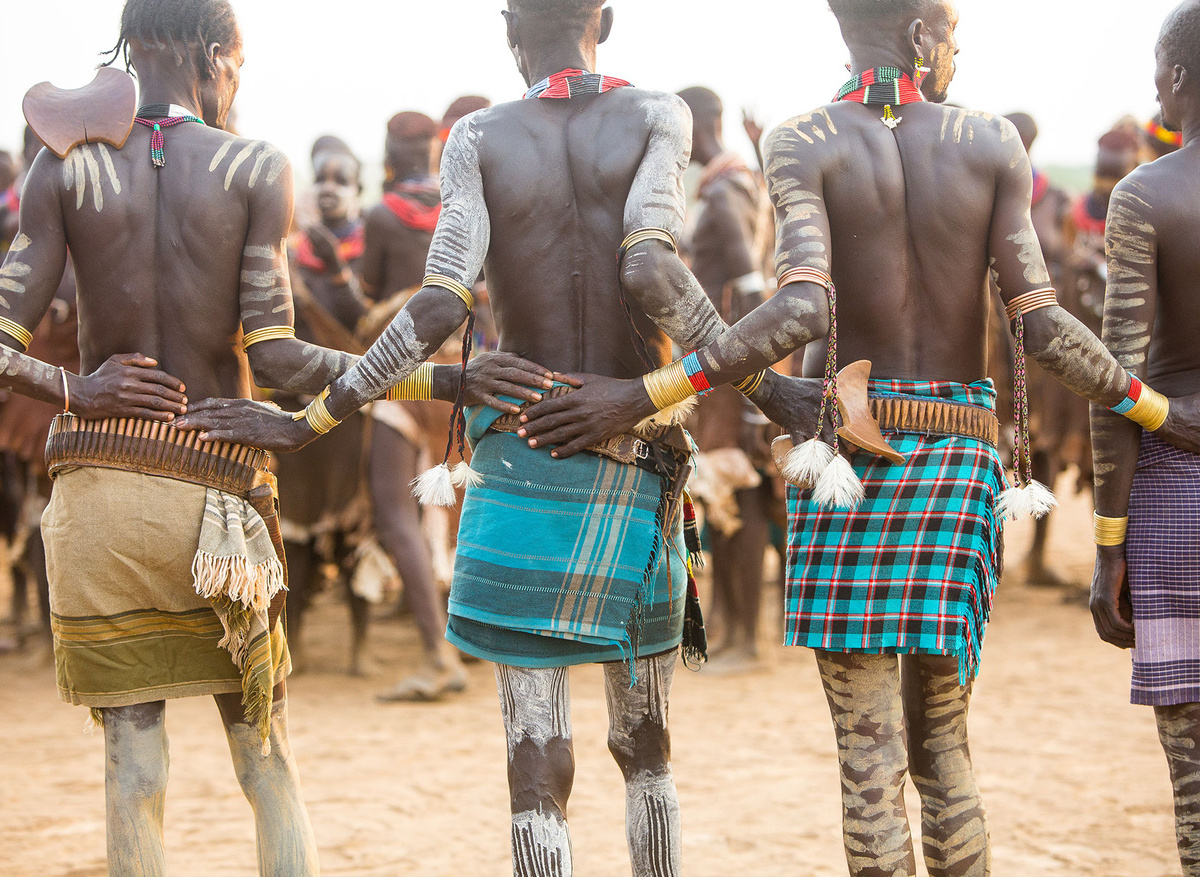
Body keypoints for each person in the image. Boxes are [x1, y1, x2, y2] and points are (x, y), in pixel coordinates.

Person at [513, 1, 1200, 873]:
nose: (956, 51)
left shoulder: (804, 139)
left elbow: (804, 304)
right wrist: (1154, 406)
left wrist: (652, 390)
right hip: (957, 458)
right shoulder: (990, 140)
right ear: (920, 33)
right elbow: (1040, 323)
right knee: (944, 750)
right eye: (950, 32)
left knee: (867, 759)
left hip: (847, 456)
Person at [176, 2, 817, 872]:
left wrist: (309, 420)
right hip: (636, 445)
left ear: (510, 31)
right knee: (646, 745)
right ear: (606, 19)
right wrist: (761, 386)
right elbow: (650, 266)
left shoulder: (477, 135)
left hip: (524, 447)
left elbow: (441, 303)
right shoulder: (658, 113)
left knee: (533, 756)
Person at [0, 0, 545, 870]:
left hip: (100, 498)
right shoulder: (253, 166)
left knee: (131, 760)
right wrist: (445, 377)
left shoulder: (63, 171)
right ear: (214, 56)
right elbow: (283, 360)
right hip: (217, 503)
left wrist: (79, 385)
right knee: (265, 756)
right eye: (239, 67)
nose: (235, 84)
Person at [1090, 3, 1200, 872]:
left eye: (1158, 68)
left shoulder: (1148, 197)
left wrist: (1107, 546)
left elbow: (1114, 381)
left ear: (1179, 78)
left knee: (1195, 784)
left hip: (1179, 494)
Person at [360, 111, 470, 701]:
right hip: (458, 379)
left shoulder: (382, 218)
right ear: (434, 152)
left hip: (399, 380)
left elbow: (369, 303)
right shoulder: (464, 212)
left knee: (396, 515)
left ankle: (438, 653)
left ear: (386, 152)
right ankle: (464, 643)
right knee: (457, 507)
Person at [676, 85, 774, 671]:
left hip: (732, 371)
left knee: (741, 496)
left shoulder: (722, 198)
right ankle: (727, 628)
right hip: (727, 367)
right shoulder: (739, 184)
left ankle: (744, 640)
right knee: (728, 497)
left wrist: (756, 402)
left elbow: (756, 291)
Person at [1002, 111, 1079, 585]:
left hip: (1039, 328)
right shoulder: (990, 189)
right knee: (994, 431)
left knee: (1042, 435)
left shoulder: (1053, 198)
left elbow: (1065, 253)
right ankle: (994, 553)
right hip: (997, 328)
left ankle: (1036, 555)